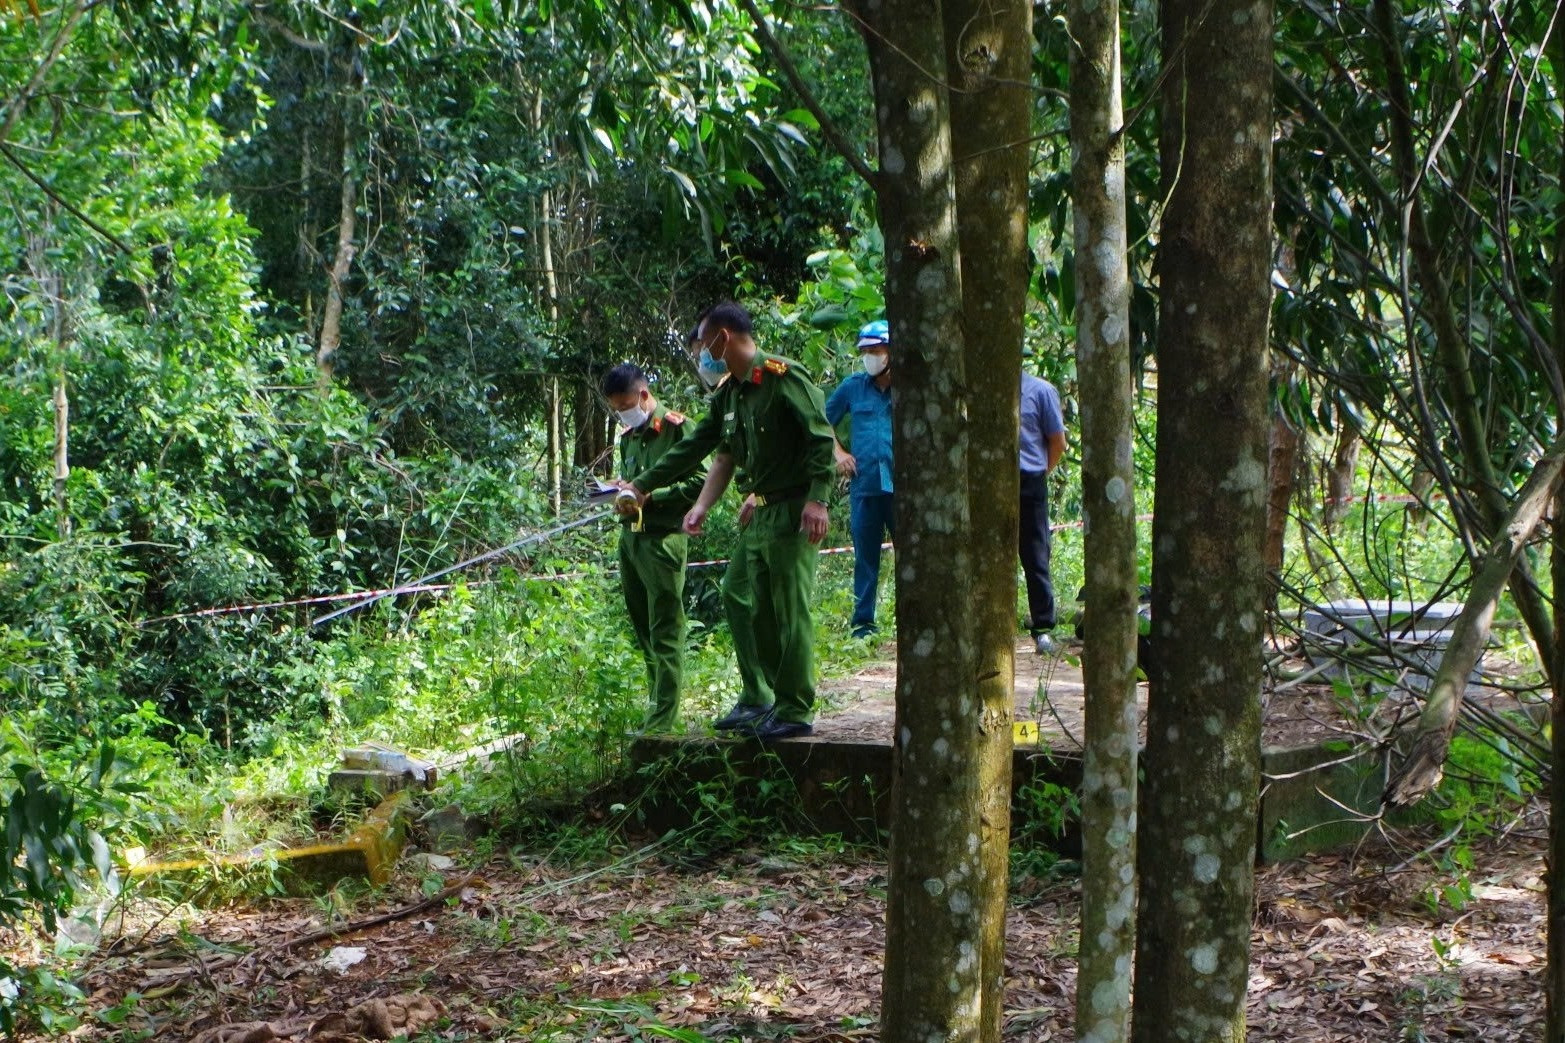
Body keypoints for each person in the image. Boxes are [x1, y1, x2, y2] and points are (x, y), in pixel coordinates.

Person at [626, 301, 836, 742]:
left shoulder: (783, 377)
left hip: (794, 510)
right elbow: (702, 449)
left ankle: (795, 707)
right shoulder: (728, 394)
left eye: (703, 342)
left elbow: (820, 439)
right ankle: (769, 699)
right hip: (760, 511)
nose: (701, 352)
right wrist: (646, 486)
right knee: (751, 604)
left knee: (789, 609)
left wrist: (819, 501)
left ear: (723, 337)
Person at [602, 363, 706, 734]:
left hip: (663, 539)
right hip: (631, 539)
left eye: (627, 404)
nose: (623, 412)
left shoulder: (679, 429)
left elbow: (702, 481)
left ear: (644, 395)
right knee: (644, 627)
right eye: (616, 408)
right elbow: (632, 484)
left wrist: (652, 497)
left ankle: (663, 721)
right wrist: (620, 489)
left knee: (664, 626)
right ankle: (655, 706)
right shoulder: (628, 437)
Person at [825, 319, 895, 638]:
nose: (869, 357)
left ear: (890, 352)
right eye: (865, 351)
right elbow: (820, 423)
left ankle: (915, 617)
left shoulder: (909, 387)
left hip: (901, 487)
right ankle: (863, 623)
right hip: (864, 486)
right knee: (865, 557)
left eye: (875, 350)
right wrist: (838, 452)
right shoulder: (852, 386)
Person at [1020, 369, 1068, 655]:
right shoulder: (980, 391)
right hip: (991, 481)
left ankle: (1043, 628)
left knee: (1036, 555)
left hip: (1030, 481)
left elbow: (1057, 442)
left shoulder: (1041, 391)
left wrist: (1040, 473)